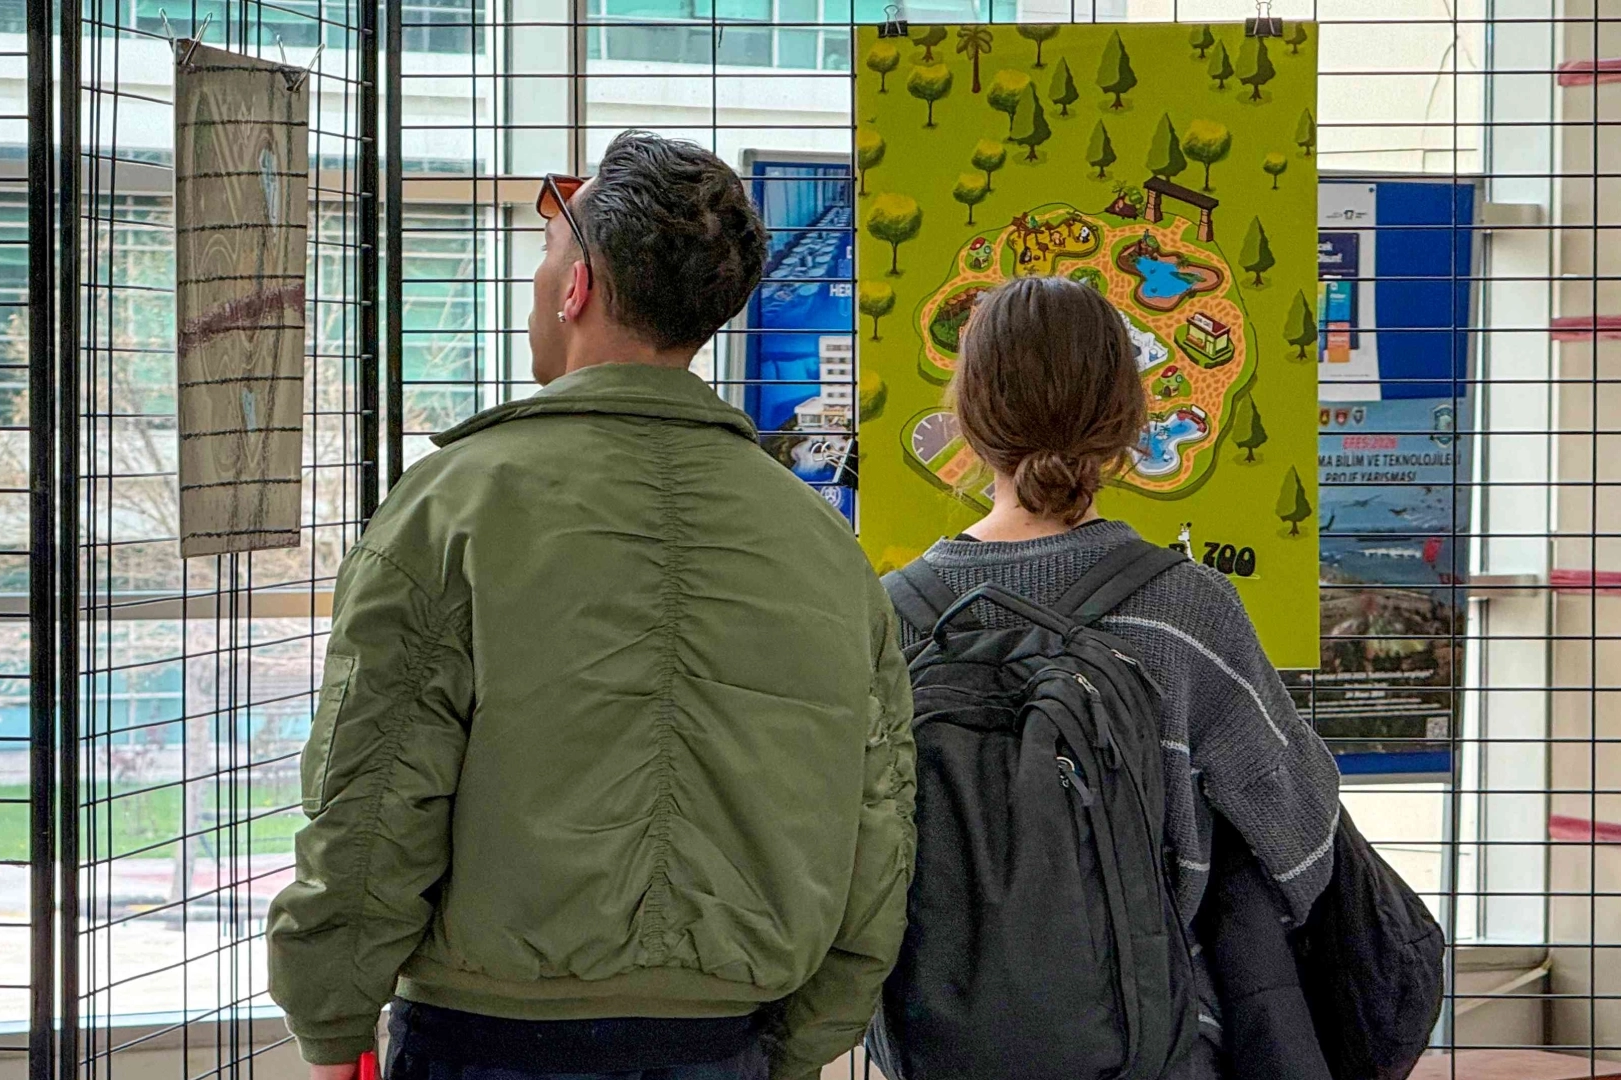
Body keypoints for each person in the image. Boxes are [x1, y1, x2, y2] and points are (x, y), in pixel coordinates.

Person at [266, 131, 917, 1080]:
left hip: (486, 1037)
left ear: (576, 288)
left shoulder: (455, 503)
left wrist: (331, 1016)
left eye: (546, 255)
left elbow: (377, 786)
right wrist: (816, 1032)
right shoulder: (818, 538)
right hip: (730, 1037)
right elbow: (876, 813)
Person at [883, 275, 1340, 1078]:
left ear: (969, 418)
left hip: (936, 1044)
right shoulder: (1185, 608)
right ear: (1127, 417)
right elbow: (1299, 839)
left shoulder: (890, 618)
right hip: (1154, 1041)